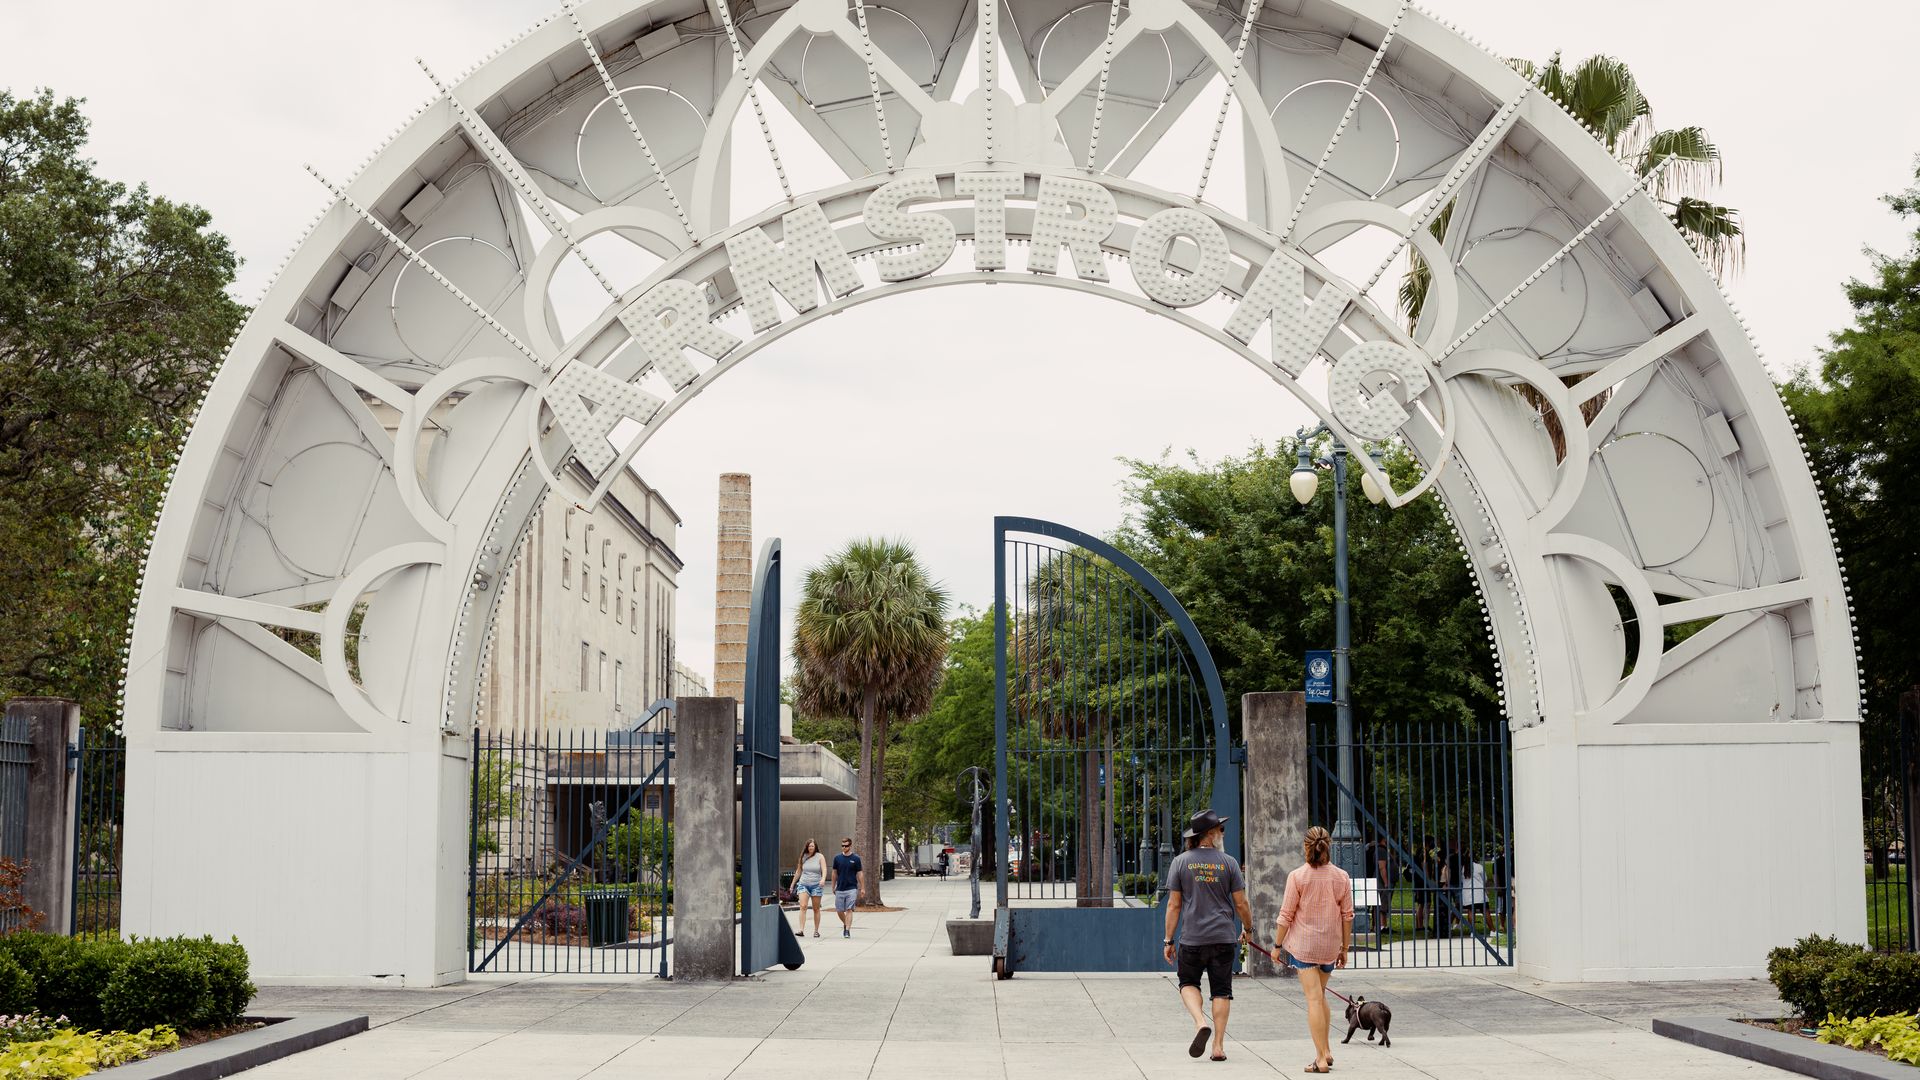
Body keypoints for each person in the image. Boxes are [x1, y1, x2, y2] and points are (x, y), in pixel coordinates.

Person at [1161, 808, 1252, 1063]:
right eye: (1220, 830)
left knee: (1188, 983)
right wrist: (1248, 928)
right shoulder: (1229, 863)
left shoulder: (1180, 862)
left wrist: (1168, 940)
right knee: (1222, 991)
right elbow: (1241, 903)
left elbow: (1173, 905)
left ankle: (1201, 1022)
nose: (1223, 833)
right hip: (1223, 938)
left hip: (1193, 939)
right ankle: (1218, 1047)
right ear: (1210, 834)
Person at [1274, 826, 1354, 1074]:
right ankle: (1327, 1050)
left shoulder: (1298, 876)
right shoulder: (1342, 876)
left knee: (1313, 999)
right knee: (1320, 994)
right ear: (1328, 846)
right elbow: (1347, 915)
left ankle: (1319, 1058)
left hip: (1306, 947)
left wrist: (1277, 946)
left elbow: (1285, 916)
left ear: (1305, 847)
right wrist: (1345, 948)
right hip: (1330, 945)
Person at [790, 838, 828, 939]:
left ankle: (816, 931)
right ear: (807, 847)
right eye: (809, 846)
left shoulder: (820, 856)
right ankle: (801, 930)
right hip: (803, 884)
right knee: (803, 906)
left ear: (815, 847)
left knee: (816, 909)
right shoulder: (803, 857)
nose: (811, 847)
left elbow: (824, 869)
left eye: (812, 846)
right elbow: (798, 871)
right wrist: (792, 884)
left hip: (816, 885)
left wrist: (823, 879)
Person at [831, 837, 864, 938]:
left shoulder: (856, 859)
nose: (844, 847)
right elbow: (834, 873)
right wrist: (833, 886)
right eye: (842, 846)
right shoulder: (837, 858)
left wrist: (862, 887)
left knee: (849, 909)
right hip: (840, 888)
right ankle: (846, 923)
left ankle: (847, 930)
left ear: (850, 846)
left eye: (846, 846)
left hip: (852, 888)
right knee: (839, 910)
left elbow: (860, 873)